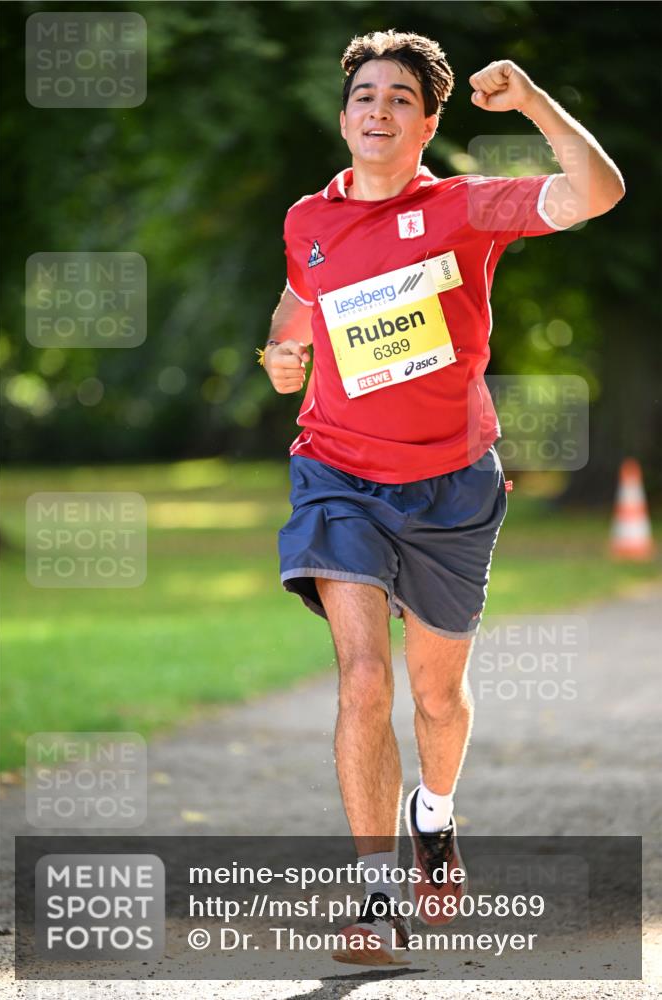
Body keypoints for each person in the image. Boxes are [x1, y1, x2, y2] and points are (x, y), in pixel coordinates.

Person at [260, 29, 624, 965]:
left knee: (435, 697)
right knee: (362, 677)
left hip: (450, 484)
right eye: (364, 96)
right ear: (343, 116)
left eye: (399, 100)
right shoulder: (308, 218)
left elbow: (596, 193)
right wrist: (282, 352)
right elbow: (298, 302)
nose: (378, 110)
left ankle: (435, 813)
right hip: (337, 473)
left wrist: (533, 101)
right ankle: (375, 897)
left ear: (426, 124)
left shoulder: (463, 207)